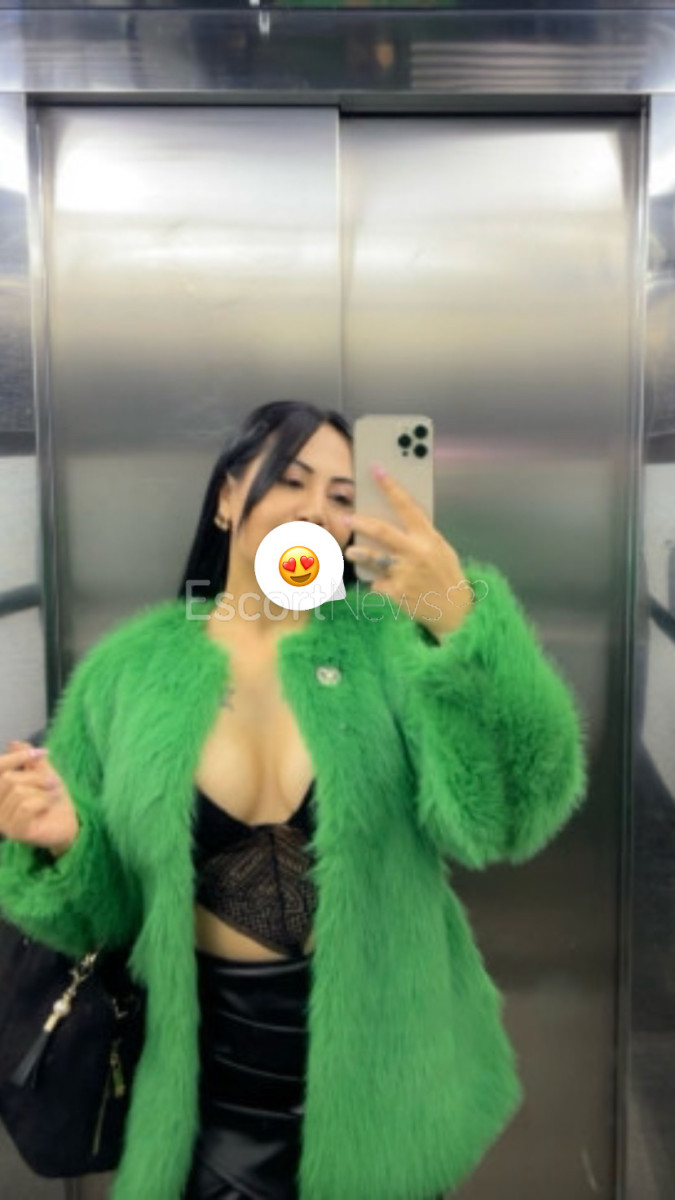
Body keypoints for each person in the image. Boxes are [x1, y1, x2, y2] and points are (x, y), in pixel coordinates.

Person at [0, 400, 588, 1200]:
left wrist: (456, 619)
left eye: (343, 496)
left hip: (385, 1080)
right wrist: (63, 843)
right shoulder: (126, 672)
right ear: (226, 497)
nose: (315, 509)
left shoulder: (390, 646)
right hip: (201, 1097)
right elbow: (94, 919)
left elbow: (509, 815)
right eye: (290, 479)